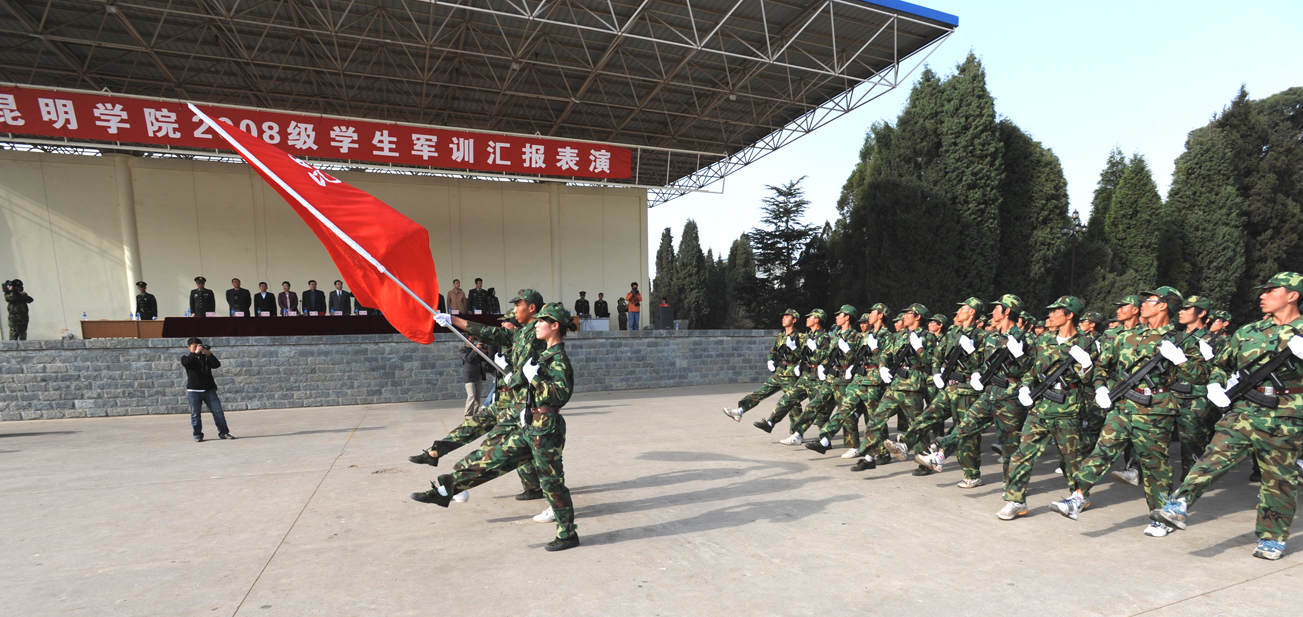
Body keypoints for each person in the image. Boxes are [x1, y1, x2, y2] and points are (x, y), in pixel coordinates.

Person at [1150, 272, 1303, 561]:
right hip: (1245, 410)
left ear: (1292, 295)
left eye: (1271, 290)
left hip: (1286, 415)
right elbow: (1222, 364)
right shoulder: (1248, 331)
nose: (1263, 295)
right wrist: (1214, 383)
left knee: (1278, 479)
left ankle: (1272, 538)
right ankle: (1179, 504)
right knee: (1214, 455)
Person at [414, 301, 580, 551]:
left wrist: (535, 379)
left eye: (542, 322)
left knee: (552, 483)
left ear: (555, 326)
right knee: (493, 458)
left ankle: (567, 534)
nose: (537, 325)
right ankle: (446, 489)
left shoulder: (559, 358)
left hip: (547, 428)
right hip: (529, 423)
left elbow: (560, 395)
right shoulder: (543, 354)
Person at [1049, 286, 1212, 537]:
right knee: (1102, 450)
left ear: (1163, 306)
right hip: (1123, 406)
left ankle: (1161, 517)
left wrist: (1181, 360)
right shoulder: (1126, 336)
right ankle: (1077, 497)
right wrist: (1101, 387)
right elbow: (1102, 367)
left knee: (1154, 465)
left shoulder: (1183, 341)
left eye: (1150, 300)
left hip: (1156, 409)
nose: (1143, 304)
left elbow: (1201, 377)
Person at [991, 296, 1091, 520]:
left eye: (1056, 312)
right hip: (1040, 407)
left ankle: (1079, 495)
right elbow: (1031, 371)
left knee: (1071, 460)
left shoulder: (1087, 342)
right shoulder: (1043, 339)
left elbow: (1092, 380)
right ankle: (1016, 500)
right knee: (1021, 455)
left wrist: (1086, 366)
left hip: (1068, 408)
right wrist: (1026, 387)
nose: (1050, 315)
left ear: (1069, 315)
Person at [723, 308, 802, 422]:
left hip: (790, 373)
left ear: (794, 320)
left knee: (793, 403)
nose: (784, 318)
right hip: (779, 372)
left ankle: (798, 431)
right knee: (761, 392)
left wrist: (795, 349)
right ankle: (740, 410)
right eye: (783, 316)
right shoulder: (780, 336)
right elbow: (773, 352)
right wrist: (770, 360)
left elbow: (805, 356)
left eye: (787, 317)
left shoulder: (800, 337)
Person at [181, 337, 234, 442]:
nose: (197, 348)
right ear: (189, 347)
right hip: (194, 391)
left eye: (199, 346)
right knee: (195, 414)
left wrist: (209, 354)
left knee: (218, 412)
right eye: (194, 346)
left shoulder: (205, 358)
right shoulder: (186, 358)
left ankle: (224, 433)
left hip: (209, 390)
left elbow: (216, 365)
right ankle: (197, 435)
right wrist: (195, 353)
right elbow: (187, 364)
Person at [460, 336, 490, 417]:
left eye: (473, 339)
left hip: (478, 375)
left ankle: (475, 414)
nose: (472, 341)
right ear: (465, 339)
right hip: (469, 376)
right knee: (471, 396)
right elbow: (468, 359)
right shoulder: (463, 349)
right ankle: (468, 414)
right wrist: (475, 349)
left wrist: (484, 352)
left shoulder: (476, 349)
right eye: (470, 339)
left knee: (477, 397)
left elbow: (483, 359)